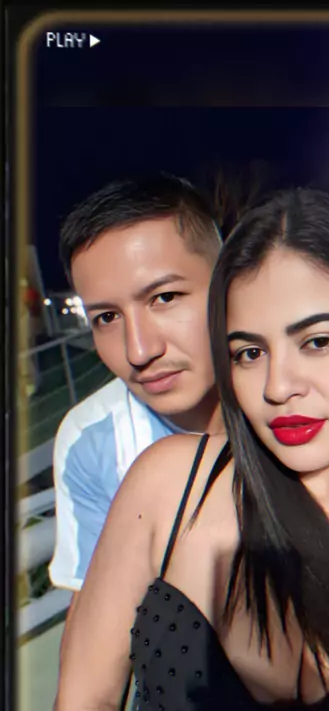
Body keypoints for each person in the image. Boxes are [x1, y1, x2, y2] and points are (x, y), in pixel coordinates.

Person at [52, 188, 329, 711]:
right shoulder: (155, 476)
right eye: (249, 353)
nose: (278, 386)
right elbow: (86, 699)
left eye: (319, 341)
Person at [49, 174, 224, 594]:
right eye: (107, 318)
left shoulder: (295, 394)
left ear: (228, 284)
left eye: (164, 297)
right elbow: (100, 615)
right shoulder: (91, 442)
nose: (139, 351)